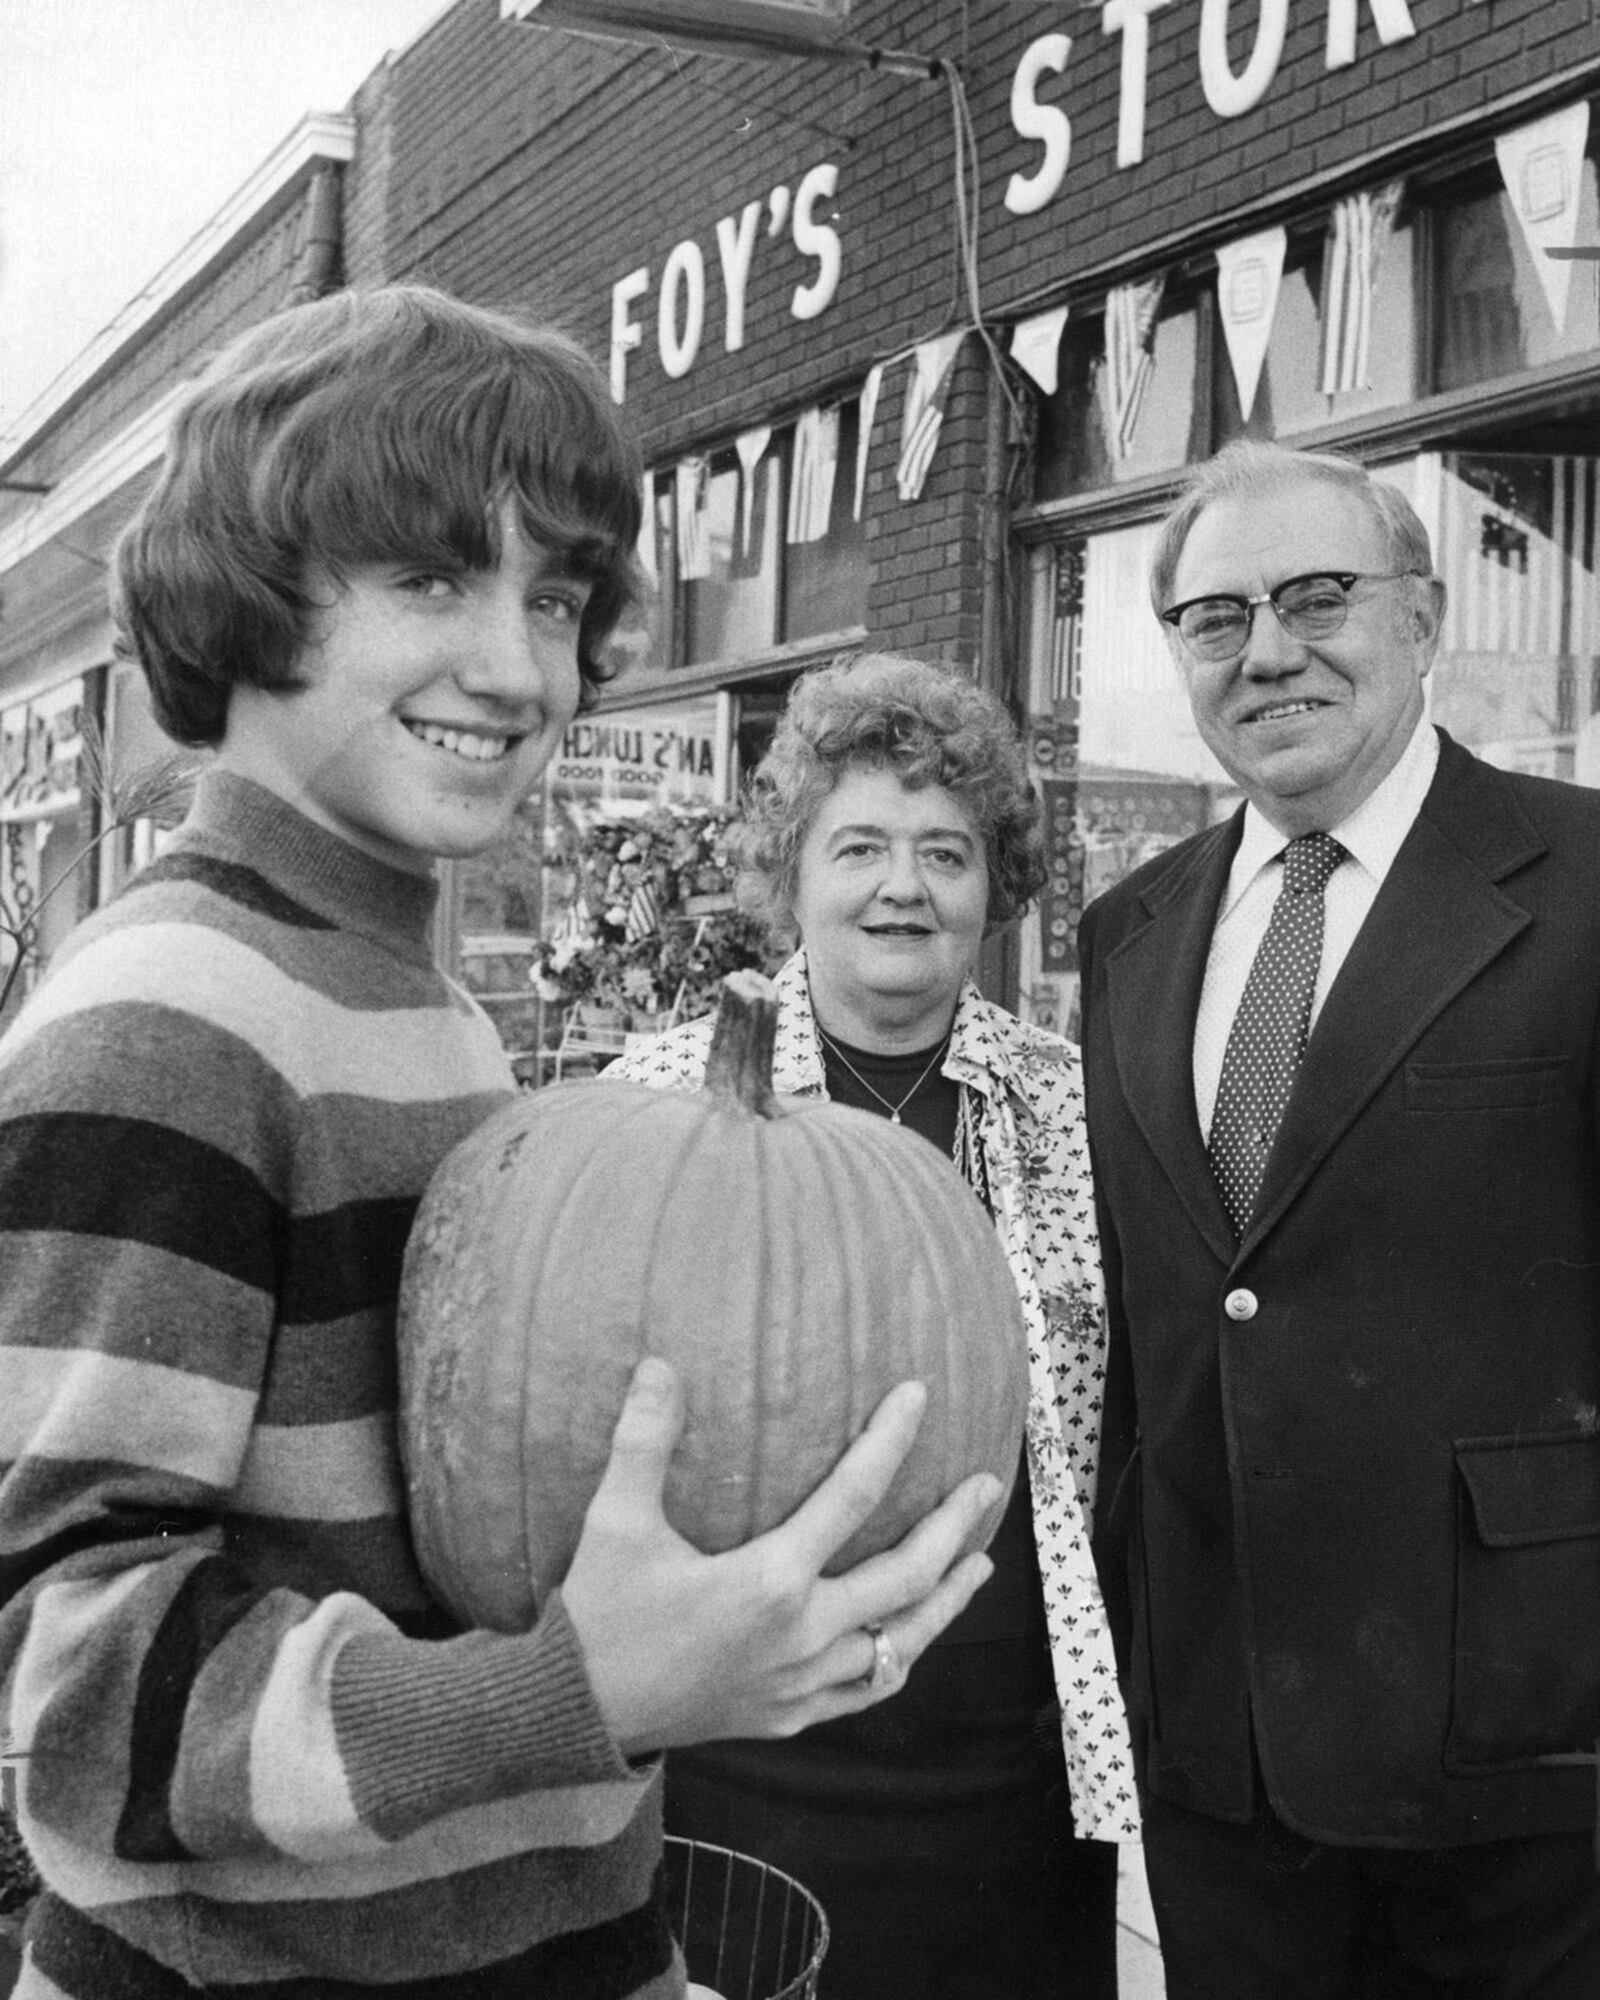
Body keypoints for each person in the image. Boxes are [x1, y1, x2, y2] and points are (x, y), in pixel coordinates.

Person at [0, 288, 1004, 2000]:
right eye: (432, 579)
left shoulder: (414, 1006)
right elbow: (72, 1696)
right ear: (244, 597)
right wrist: (582, 1692)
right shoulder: (174, 1013)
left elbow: (489, 1541)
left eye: (555, 595)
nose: (520, 665)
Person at [1078, 437, 1600, 1997]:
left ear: (1422, 620)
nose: (1272, 651)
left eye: (1319, 598)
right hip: (1221, 1744)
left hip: (1522, 1742)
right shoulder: (1130, 932)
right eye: (1219, 618)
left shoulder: (1583, 882)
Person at [614, 652, 1138, 2000]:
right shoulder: (657, 1107)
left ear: (993, 887)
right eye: (860, 847)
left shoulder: (1070, 1111)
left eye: (945, 853)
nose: (902, 885)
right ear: (792, 872)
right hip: (744, 1758)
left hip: (1010, 1768)